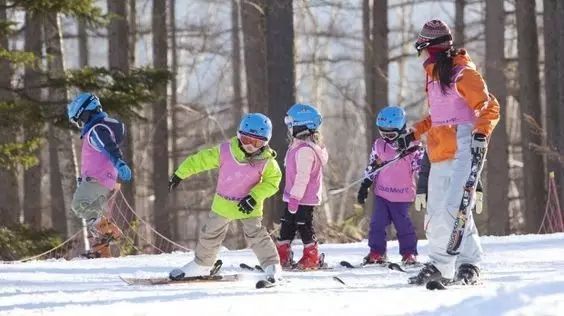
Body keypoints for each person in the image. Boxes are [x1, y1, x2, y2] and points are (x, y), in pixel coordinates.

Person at [399, 19, 499, 285]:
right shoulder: (434, 77)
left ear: (430, 48)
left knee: (454, 210)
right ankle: (466, 263)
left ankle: (444, 267)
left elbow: (490, 107)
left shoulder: (462, 74)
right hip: (440, 150)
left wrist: (480, 133)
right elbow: (438, 117)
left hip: (464, 147)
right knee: (436, 214)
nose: (419, 55)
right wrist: (413, 133)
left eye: (420, 48)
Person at [168, 113, 283, 281]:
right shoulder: (225, 151)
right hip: (223, 204)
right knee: (210, 233)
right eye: (246, 140)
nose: (250, 146)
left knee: (257, 235)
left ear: (265, 142)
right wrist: (180, 174)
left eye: (256, 142)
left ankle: (272, 266)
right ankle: (203, 265)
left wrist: (254, 196)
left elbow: (273, 182)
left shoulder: (267, 162)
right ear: (238, 135)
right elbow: (200, 160)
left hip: (248, 206)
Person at [67, 92, 132, 258]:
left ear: (87, 112)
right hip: (102, 179)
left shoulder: (97, 130)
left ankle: (110, 229)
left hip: (97, 179)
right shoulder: (98, 129)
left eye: (80, 119)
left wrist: (120, 162)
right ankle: (101, 253)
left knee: (80, 205)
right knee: (94, 215)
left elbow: (109, 147)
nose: (81, 124)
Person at [357, 106, 423, 266]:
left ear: (401, 129)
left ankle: (409, 254)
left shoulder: (413, 147)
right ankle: (376, 253)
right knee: (377, 224)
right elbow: (373, 165)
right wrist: (365, 184)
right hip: (382, 195)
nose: (386, 138)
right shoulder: (379, 145)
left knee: (403, 226)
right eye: (383, 133)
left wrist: (425, 188)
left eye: (391, 134)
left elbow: (421, 168)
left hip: (402, 196)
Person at [275, 103, 329, 269]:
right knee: (287, 224)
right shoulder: (297, 146)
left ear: (301, 125)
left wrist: (295, 198)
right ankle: (282, 255)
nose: (289, 127)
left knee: (303, 225)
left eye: (291, 123)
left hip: (302, 199)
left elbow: (302, 178)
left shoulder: (305, 151)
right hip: (293, 197)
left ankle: (311, 257)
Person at [415, 152, 483, 215]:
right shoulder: (433, 142)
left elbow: (472, 165)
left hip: (459, 188)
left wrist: (478, 189)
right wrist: (421, 190)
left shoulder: (464, 141)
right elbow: (425, 168)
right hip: (439, 189)